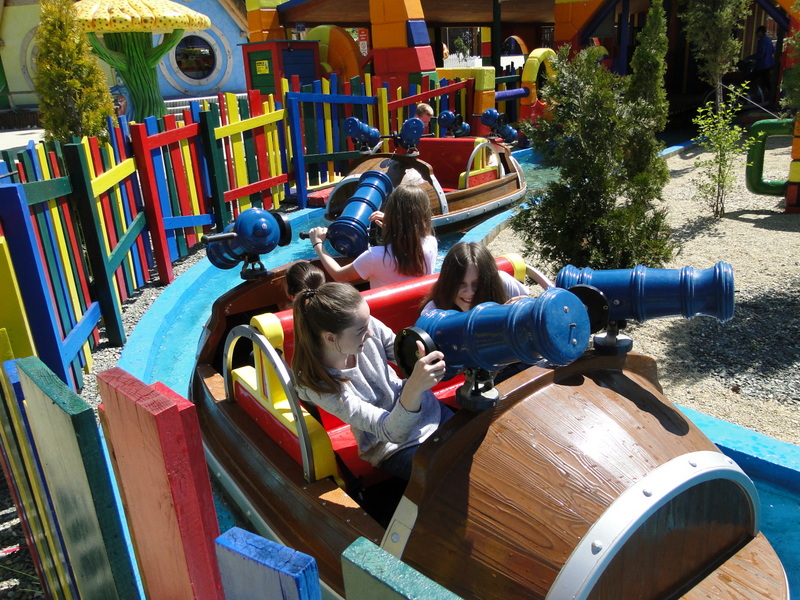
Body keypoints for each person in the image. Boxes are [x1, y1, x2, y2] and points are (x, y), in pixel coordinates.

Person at [292, 281, 451, 480]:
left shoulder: (364, 326)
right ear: (331, 338)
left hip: (431, 413)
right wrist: (415, 387)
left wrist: (426, 357)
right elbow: (390, 432)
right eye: (361, 330)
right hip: (393, 446)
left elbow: (402, 354)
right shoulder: (320, 385)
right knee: (445, 475)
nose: (371, 333)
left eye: (368, 322)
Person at [308, 183, 437, 289]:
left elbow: (340, 276)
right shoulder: (431, 243)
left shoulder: (375, 256)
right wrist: (394, 223)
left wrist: (318, 243)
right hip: (418, 310)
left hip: (384, 313)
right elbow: (414, 230)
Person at [421, 241, 551, 313]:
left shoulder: (503, 283)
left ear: (489, 282)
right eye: (461, 284)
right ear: (448, 284)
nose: (469, 292)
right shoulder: (433, 313)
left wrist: (518, 311)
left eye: (477, 284)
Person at [750, 25, 775, 101]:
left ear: (760, 32)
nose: (756, 34)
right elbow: (773, 50)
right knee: (766, 81)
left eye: (757, 32)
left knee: (750, 78)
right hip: (769, 64)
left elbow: (760, 54)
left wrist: (750, 57)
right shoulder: (768, 40)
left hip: (762, 65)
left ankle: (751, 95)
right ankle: (771, 96)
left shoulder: (762, 41)